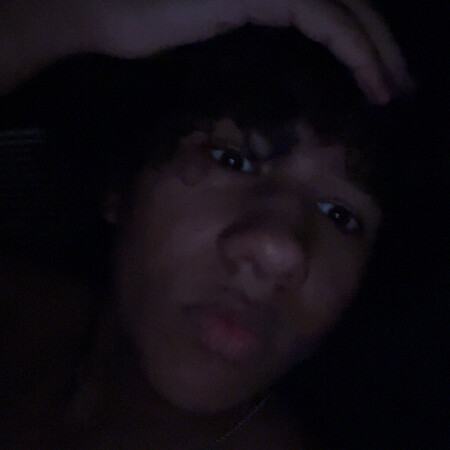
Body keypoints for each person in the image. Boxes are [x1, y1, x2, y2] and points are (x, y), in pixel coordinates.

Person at [1, 1, 416, 448]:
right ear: (120, 183)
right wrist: (84, 16)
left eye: (342, 216)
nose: (278, 250)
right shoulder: (33, 312)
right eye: (233, 160)